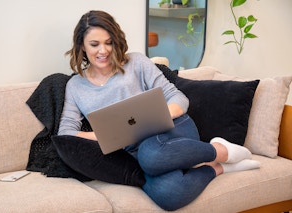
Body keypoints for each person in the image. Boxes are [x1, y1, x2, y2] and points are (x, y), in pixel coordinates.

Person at [58, 10, 260, 211]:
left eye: (109, 42)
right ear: (82, 46)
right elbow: (66, 133)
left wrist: (156, 116)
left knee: (150, 155)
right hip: (136, 150)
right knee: (168, 194)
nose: (103, 50)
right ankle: (217, 168)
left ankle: (220, 150)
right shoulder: (76, 86)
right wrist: (103, 136)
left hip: (172, 129)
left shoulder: (136, 62)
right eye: (95, 44)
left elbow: (178, 98)